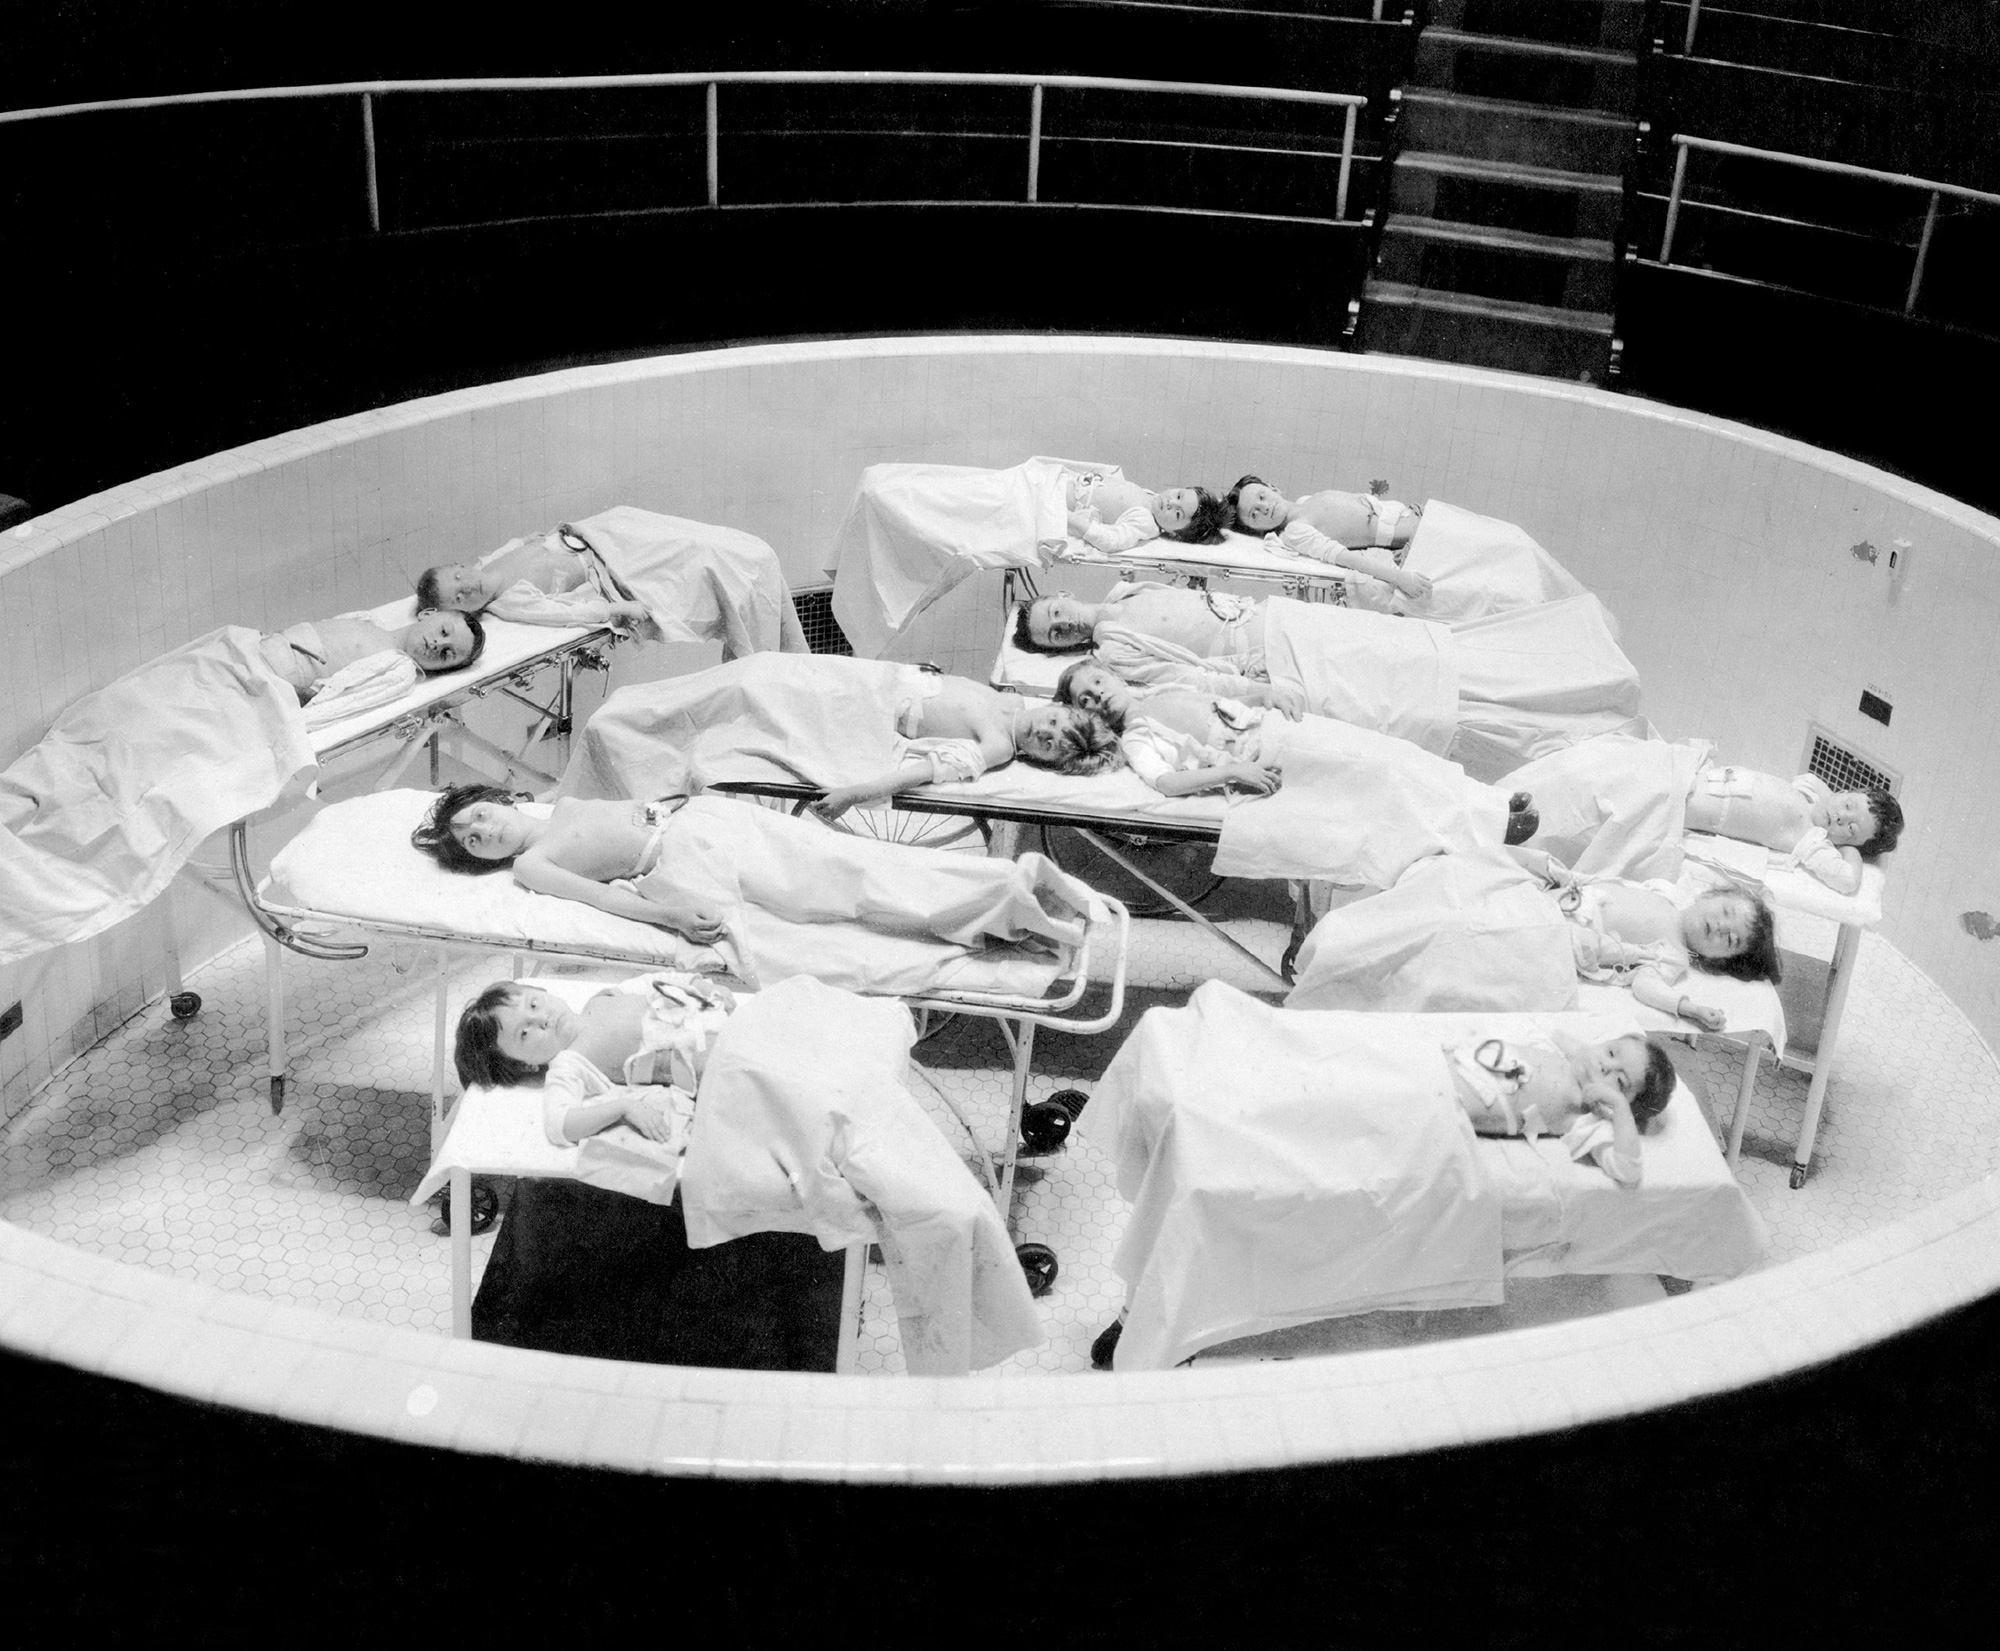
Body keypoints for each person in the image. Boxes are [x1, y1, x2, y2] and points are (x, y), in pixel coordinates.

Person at [1015, 580, 1644, 782]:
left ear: (1063, 596)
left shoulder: (1129, 587)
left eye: (1055, 613)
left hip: (1290, 622)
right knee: (1405, 704)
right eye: (1054, 635)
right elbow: (1190, 673)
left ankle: (1578, 671)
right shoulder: (1112, 654)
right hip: (1278, 663)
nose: (1064, 624)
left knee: (1414, 654)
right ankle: (1573, 730)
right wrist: (1257, 689)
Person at [411, 783, 1094, 960]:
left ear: (495, 800)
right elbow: (603, 900)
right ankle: (1007, 905)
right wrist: (670, 914)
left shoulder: (563, 802)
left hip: (706, 822)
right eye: (471, 845)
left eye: (475, 818)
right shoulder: (533, 864)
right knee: (844, 896)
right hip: (685, 862)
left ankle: (1010, 889)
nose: (481, 833)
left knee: (855, 862)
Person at [1506, 733, 1904, 894]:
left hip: (1673, 799)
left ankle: (1522, 827)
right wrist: (1840, 813)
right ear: (1846, 791)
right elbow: (1813, 783)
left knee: (1602, 789)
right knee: (1603, 759)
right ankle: (1516, 798)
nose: (1843, 820)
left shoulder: (1811, 840)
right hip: (1686, 770)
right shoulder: (1814, 796)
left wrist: (1854, 852)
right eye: (1849, 806)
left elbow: (1847, 882)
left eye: (1852, 830)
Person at [454, 975, 733, 1150]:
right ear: (527, 1065)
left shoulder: (602, 998)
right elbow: (560, 1124)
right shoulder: (569, 1063)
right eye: (525, 1033)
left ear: (542, 991)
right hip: (715, 1066)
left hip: (720, 1019)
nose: (542, 1020)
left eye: (534, 1004)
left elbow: (654, 982)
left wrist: (699, 985)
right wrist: (623, 1108)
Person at [806, 673, 1123, 819]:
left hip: (867, 707)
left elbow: (925, 772)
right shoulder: (1011, 699)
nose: (1041, 730)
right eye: (1053, 722)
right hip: (882, 677)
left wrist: (852, 795)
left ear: (1043, 760)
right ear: (1059, 707)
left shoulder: (1000, 746)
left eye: (1049, 745)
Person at [1444, 1028, 1675, 1187]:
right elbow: (1559, 1035)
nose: (1606, 1066)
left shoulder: (1590, 1117)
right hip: (1454, 1059)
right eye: (1612, 1052)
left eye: (1619, 1082)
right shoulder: (1568, 1058)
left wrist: (1620, 1108)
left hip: (1454, 1103)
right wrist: (1586, 1052)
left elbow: (1629, 1170)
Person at [1227, 475, 1434, 602]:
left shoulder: (1305, 501)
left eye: (1262, 496)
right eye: (1254, 515)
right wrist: (1401, 578)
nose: (1264, 507)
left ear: (1273, 488)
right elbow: (1345, 558)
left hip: (1418, 514)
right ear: (1254, 529)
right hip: (1417, 537)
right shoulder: (1295, 531)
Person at [417, 524, 651, 631]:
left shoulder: (484, 566)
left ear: (461, 565)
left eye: (458, 577)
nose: (467, 586)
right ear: (467, 613)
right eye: (459, 598)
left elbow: (507, 549)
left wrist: (526, 541)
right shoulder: (510, 601)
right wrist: (620, 609)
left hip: (582, 536)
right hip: (602, 566)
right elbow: (566, 614)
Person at [257, 608, 485, 703]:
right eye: (444, 632)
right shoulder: (369, 621)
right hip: (256, 648)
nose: (438, 644)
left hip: (271, 679)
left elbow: (325, 698)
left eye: (447, 654)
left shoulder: (394, 668)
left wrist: (275, 690)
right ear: (427, 613)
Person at [1060, 468, 1231, 552]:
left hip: (1058, 502)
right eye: (1179, 496)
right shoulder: (1152, 499)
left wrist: (1066, 517)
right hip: (1062, 481)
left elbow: (1111, 540)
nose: (1171, 503)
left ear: (1173, 533)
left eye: (1178, 514)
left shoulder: (1146, 523)